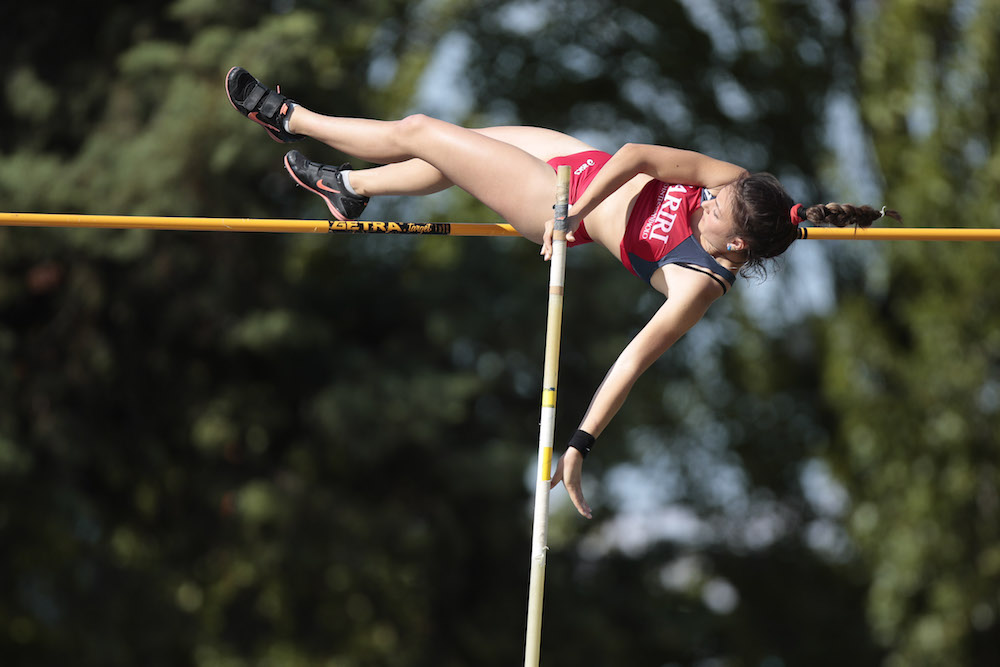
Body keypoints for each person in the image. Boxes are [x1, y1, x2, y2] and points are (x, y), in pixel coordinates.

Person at [225, 66, 900, 519]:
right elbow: (636, 156)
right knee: (449, 152)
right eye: (718, 194)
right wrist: (580, 203)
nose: (709, 199)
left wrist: (580, 443)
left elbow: (632, 362)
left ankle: (292, 117)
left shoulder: (698, 283)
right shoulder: (738, 183)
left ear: (739, 245)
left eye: (717, 210)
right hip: (579, 173)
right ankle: (349, 190)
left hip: (554, 206)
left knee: (423, 131)